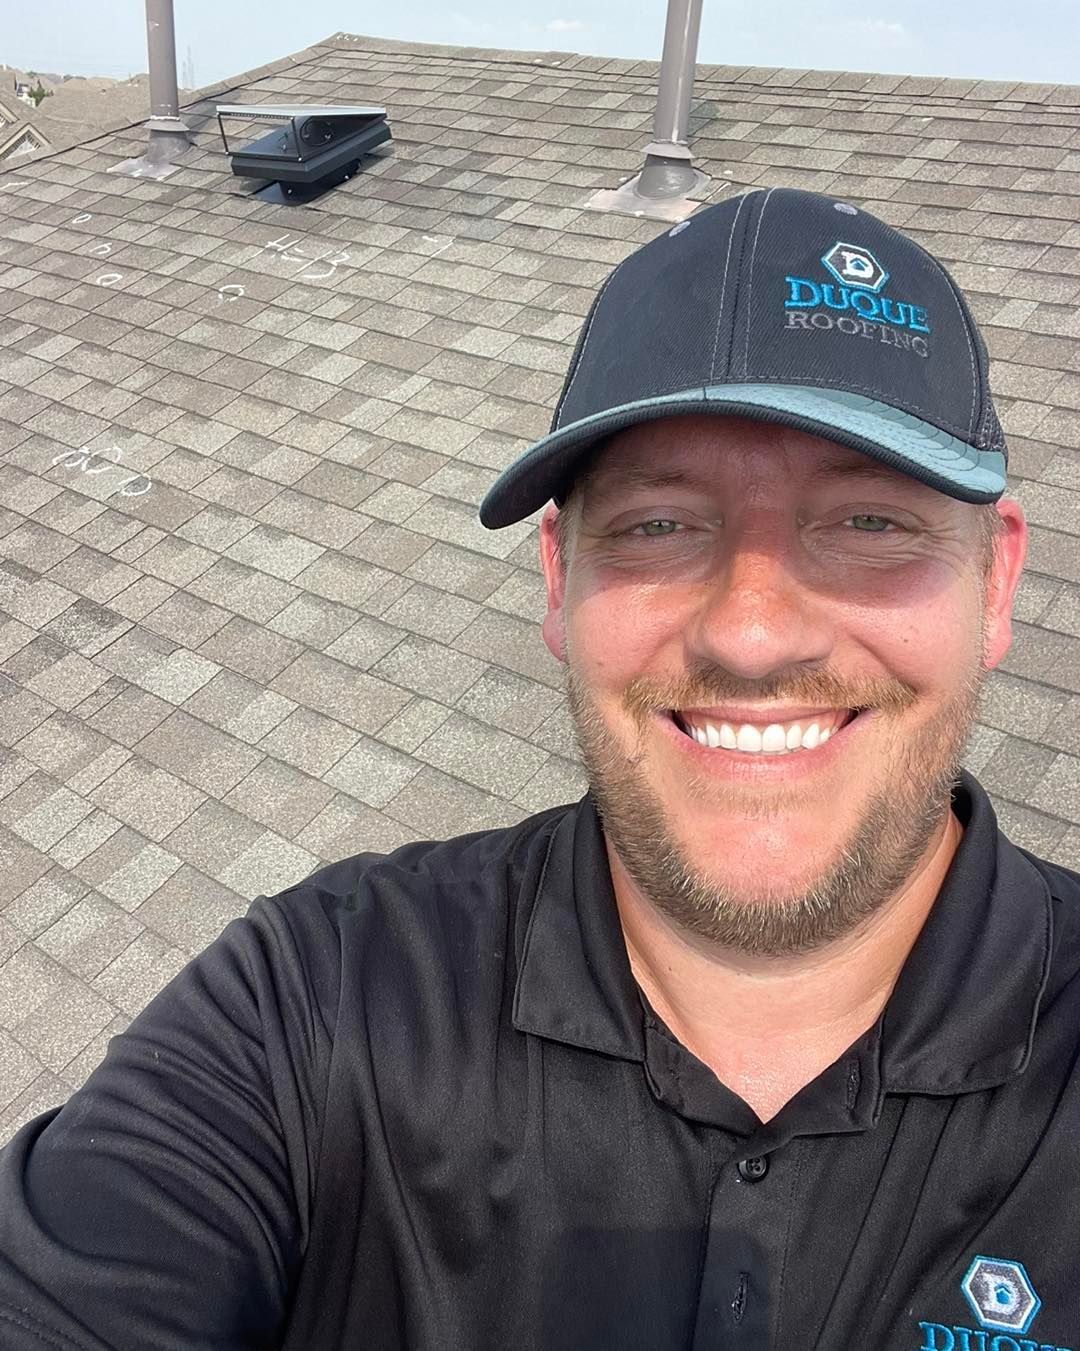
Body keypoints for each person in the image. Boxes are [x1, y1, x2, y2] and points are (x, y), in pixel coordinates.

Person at [0, 186, 1077, 1351]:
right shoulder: (311, 1005)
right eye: (661, 523)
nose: (752, 632)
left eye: (871, 523)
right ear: (559, 581)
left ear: (997, 584)